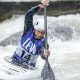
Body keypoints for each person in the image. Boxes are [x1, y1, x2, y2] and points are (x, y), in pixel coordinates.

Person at [12, 0, 50, 68]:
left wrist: (46, 54)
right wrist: (39, 6)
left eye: (42, 32)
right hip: (15, 60)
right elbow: (28, 16)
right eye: (38, 31)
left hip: (28, 68)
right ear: (34, 29)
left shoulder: (44, 43)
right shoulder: (28, 30)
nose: (39, 34)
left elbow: (42, 55)